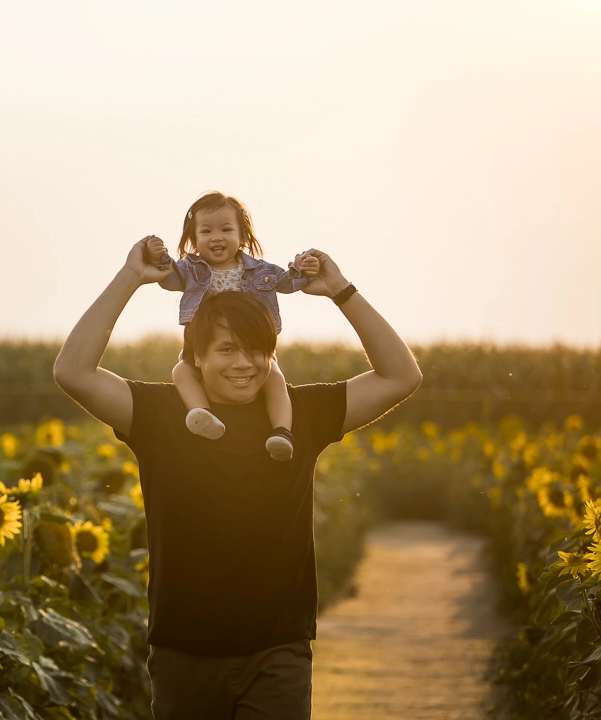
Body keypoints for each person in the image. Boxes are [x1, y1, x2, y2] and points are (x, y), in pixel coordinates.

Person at [53, 235, 421, 720]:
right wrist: (130, 278)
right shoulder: (160, 414)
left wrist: (341, 291)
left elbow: (402, 376)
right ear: (197, 357)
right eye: (227, 349)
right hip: (183, 654)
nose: (244, 363)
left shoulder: (300, 413)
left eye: (256, 350)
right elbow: (73, 372)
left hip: (277, 652)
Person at [146, 191, 319, 461]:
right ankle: (203, 415)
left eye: (226, 229)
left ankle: (282, 431)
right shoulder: (190, 270)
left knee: (274, 377)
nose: (216, 237)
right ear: (194, 239)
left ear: (243, 236)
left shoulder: (259, 270)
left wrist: (303, 269)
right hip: (202, 343)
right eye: (206, 231)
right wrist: (159, 259)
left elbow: (286, 283)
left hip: (251, 342)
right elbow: (168, 279)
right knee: (182, 370)